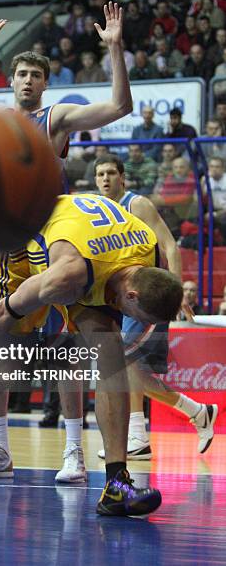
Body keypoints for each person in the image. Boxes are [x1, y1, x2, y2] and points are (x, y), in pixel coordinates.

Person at [0, 6, 170, 515]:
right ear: (11, 79)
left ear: (44, 84)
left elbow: (120, 104)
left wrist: (115, 48)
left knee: (101, 355)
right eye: (21, 73)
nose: (28, 82)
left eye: (37, 75)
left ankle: (114, 477)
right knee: (2, 362)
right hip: (13, 254)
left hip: (58, 246)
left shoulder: (53, 118)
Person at [0, 192, 183, 515]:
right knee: (8, 363)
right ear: (132, 294)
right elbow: (10, 309)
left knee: (111, 352)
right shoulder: (67, 275)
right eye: (141, 318)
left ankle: (116, 484)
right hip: (26, 244)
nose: (139, 324)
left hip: (91, 255)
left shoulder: (148, 249)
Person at [94, 156, 217, 460]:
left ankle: (193, 414)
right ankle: (143, 435)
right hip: (122, 299)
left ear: (122, 177)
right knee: (130, 367)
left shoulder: (137, 205)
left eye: (111, 173)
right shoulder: (97, 210)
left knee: (123, 366)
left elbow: (170, 245)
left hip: (147, 297)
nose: (105, 179)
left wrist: (174, 293)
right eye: (100, 174)